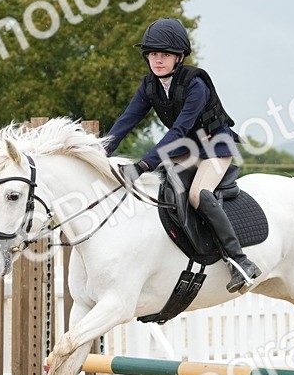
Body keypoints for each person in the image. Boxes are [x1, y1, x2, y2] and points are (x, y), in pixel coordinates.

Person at [103, 17, 259, 293]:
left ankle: (240, 261)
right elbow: (128, 119)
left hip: (214, 146)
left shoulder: (195, 84)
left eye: (164, 55)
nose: (157, 60)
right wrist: (101, 150)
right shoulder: (149, 85)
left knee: (198, 194)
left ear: (179, 57)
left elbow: (178, 129)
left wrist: (143, 164)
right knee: (163, 188)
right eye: (152, 54)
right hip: (186, 149)